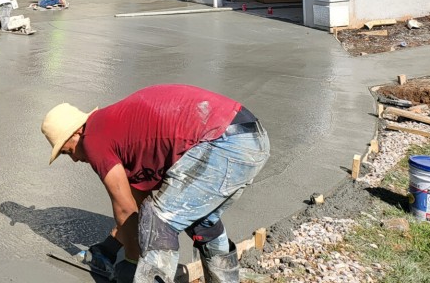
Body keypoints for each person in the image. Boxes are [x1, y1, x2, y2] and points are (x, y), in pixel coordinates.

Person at [42, 85, 270, 283]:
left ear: (78, 132)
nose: (74, 159)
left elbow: (125, 208)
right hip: (250, 137)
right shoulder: (118, 130)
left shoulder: (94, 138)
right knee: (202, 222)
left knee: (158, 221)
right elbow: (137, 203)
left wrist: (131, 263)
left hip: (223, 142)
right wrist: (108, 250)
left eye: (67, 151)